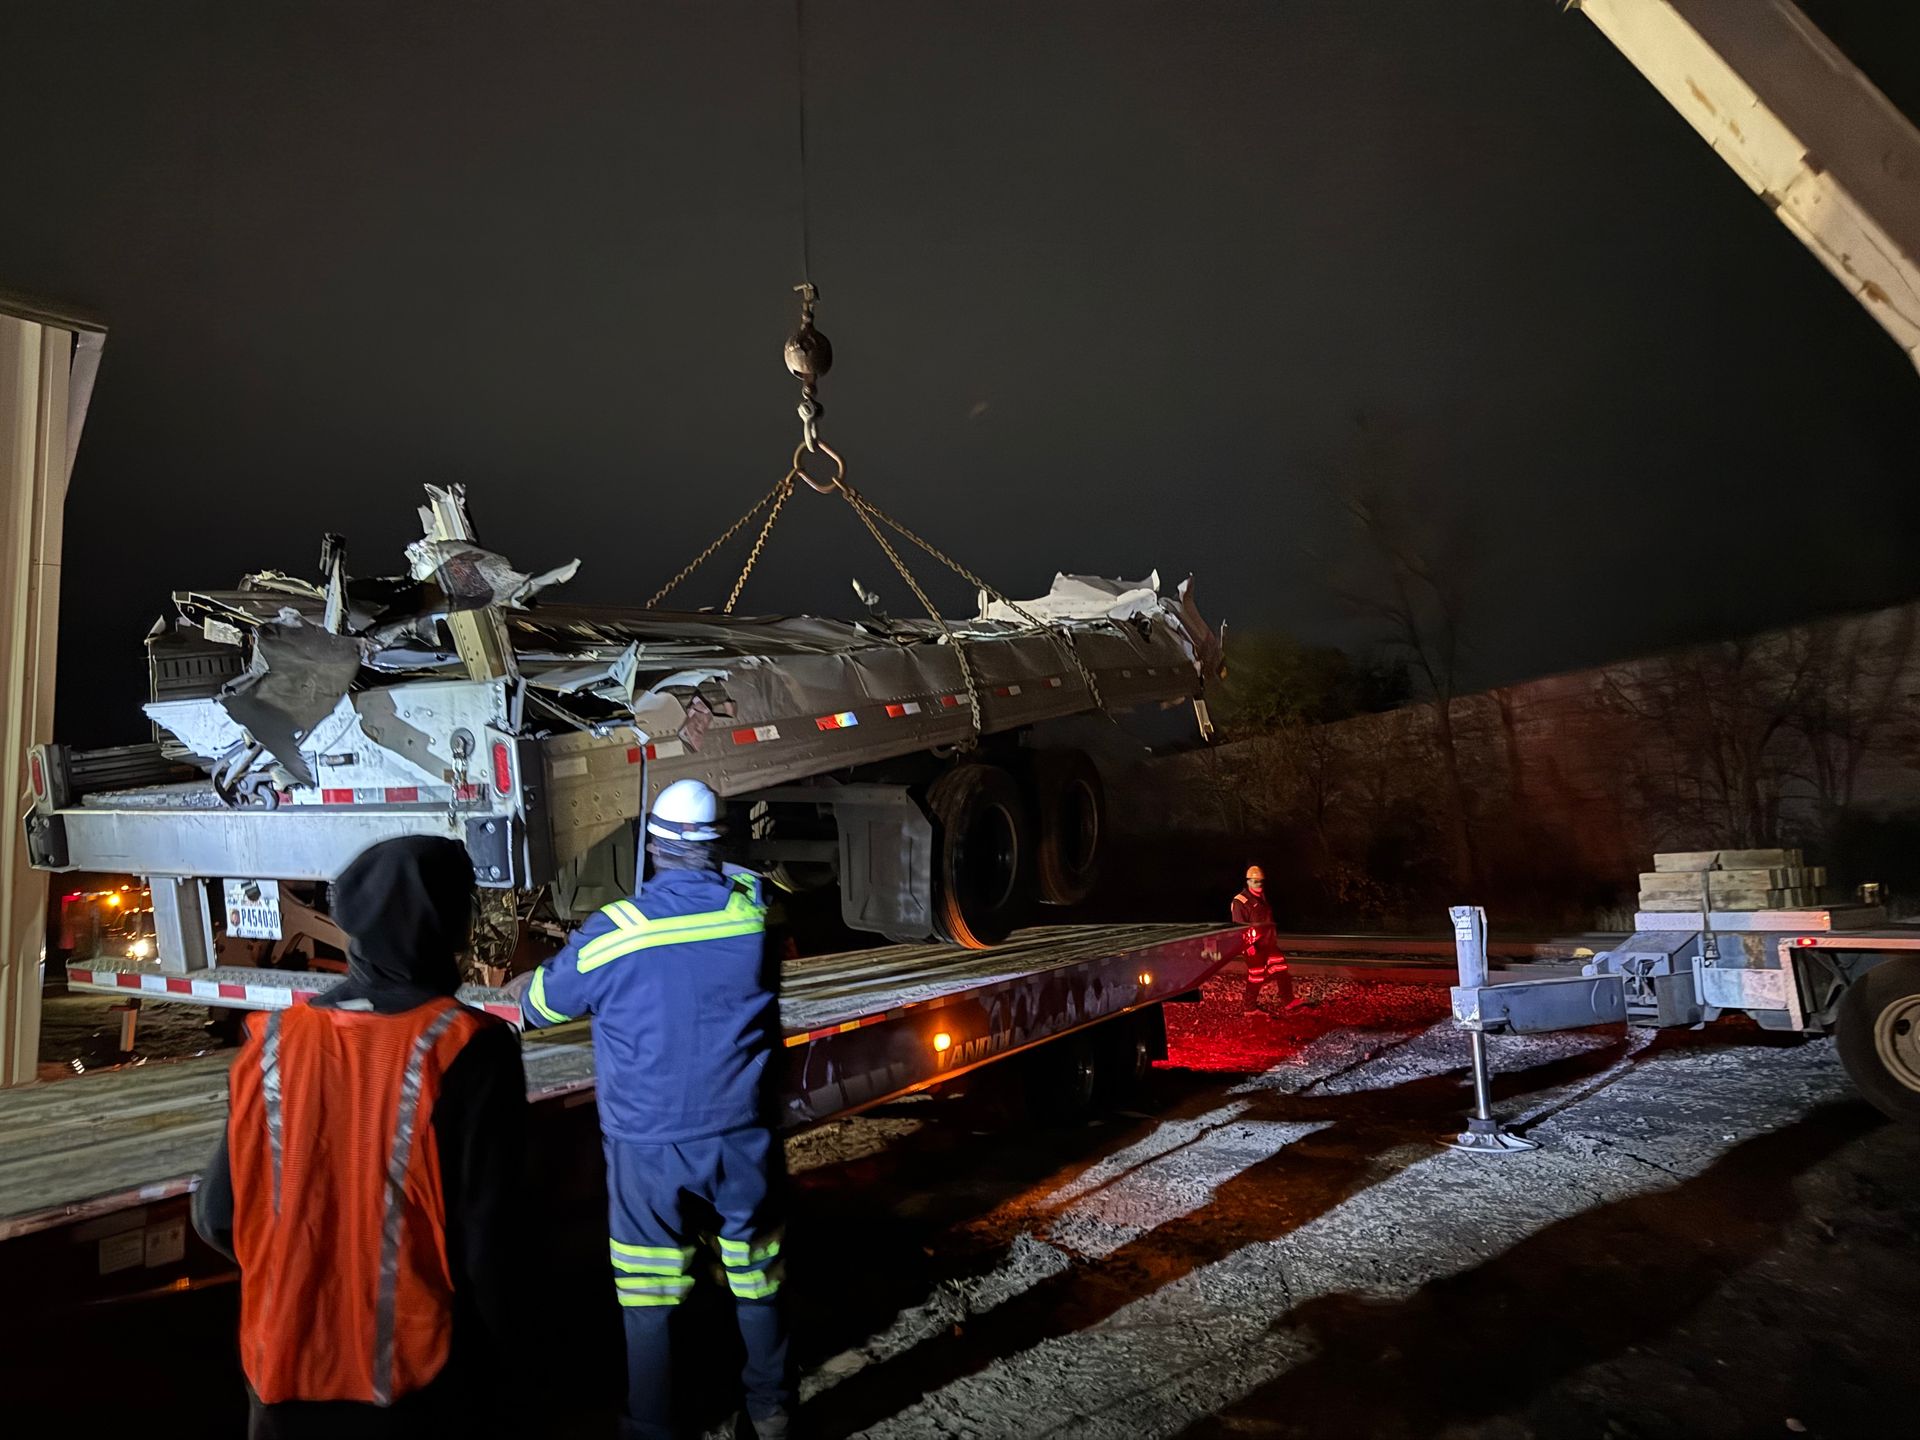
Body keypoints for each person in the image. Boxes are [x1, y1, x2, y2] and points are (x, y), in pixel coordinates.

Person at [192, 836, 527, 1439]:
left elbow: (217, 1216)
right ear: (450, 928)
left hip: (279, 1383)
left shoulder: (269, 1041)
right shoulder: (468, 1047)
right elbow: (492, 1248)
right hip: (415, 1387)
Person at [518, 778, 792, 1440]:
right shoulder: (750, 916)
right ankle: (773, 1410)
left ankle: (653, 1425)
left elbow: (540, 1006)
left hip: (648, 1144)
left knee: (649, 1296)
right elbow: (745, 893)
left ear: (652, 848)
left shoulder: (617, 934)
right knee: (756, 1276)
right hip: (740, 1134)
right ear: (718, 845)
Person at [1231, 864, 1298, 1014]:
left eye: (1261, 881)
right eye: (1255, 881)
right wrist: (1248, 947)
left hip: (1268, 944)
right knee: (1256, 976)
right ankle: (1249, 1008)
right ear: (1248, 881)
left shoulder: (1261, 897)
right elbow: (1238, 928)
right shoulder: (1240, 901)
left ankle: (1289, 1001)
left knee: (1281, 970)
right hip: (1253, 947)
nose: (1259, 884)